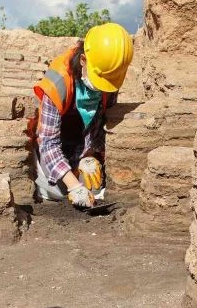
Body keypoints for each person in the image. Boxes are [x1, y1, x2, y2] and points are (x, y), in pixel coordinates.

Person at [30, 22, 134, 208]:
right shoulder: (57, 81)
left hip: (82, 143)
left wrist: (92, 155)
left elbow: (102, 124)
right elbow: (48, 142)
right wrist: (74, 185)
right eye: (100, 80)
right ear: (83, 61)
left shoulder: (110, 75)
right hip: (54, 147)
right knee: (59, 191)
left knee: (94, 187)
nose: (103, 87)